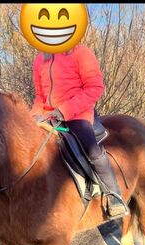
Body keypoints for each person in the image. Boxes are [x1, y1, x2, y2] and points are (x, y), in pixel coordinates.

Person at [31, 45, 129, 219]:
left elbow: (94, 87)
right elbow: (39, 96)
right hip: (49, 117)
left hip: (77, 113)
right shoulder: (39, 59)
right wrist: (35, 116)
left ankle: (114, 196)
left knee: (91, 148)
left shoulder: (80, 52)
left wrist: (65, 110)